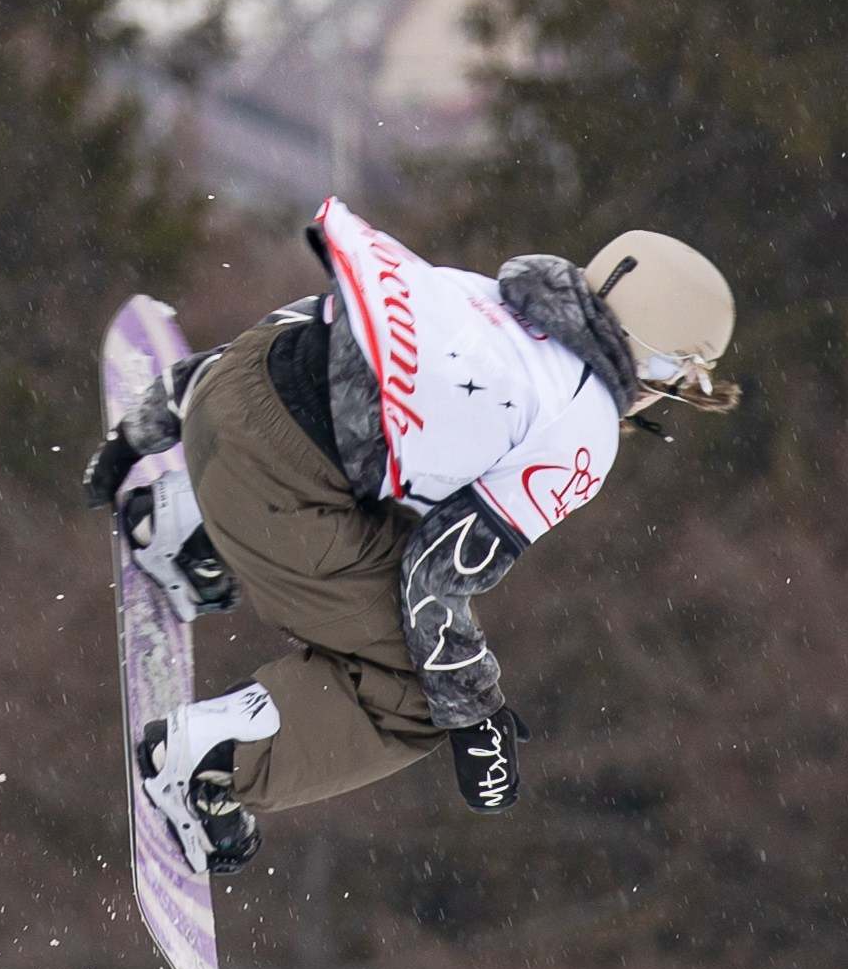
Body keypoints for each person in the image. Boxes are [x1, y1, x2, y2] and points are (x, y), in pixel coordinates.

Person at [86, 197, 738, 877]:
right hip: (275, 493)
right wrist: (475, 714)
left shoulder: (478, 294)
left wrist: (160, 412)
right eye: (673, 382)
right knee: (411, 696)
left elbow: (301, 332)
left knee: (403, 488)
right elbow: (434, 578)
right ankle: (204, 763)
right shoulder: (583, 430)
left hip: (230, 402)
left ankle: (188, 530)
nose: (659, 396)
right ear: (657, 361)